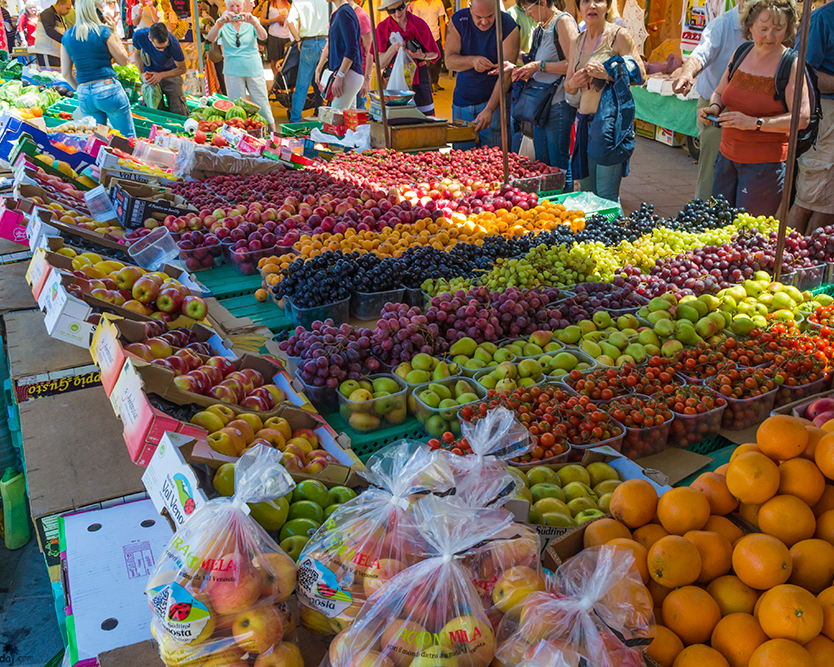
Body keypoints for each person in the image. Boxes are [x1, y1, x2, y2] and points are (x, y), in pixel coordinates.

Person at [702, 0, 810, 216]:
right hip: (726, 159)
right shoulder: (741, 53)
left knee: (749, 233)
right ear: (750, 26)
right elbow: (720, 92)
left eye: (778, 29)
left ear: (787, 29)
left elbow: (802, 118)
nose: (770, 36)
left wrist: (755, 123)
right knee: (718, 225)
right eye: (763, 29)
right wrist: (714, 107)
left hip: (764, 168)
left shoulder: (791, 64)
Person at [564, 0, 645, 201]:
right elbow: (567, 85)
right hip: (584, 124)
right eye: (585, 1)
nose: (591, 5)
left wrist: (608, 74)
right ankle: (594, 233)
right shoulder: (577, 40)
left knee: (606, 196)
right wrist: (574, 82)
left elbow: (640, 74)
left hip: (610, 127)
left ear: (608, 6)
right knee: (587, 195)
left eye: (598, 0)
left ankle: (616, 232)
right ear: (579, 7)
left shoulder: (618, 36)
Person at [672, 2, 745, 201]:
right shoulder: (722, 24)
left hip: (751, 110)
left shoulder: (770, 25)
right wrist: (687, 74)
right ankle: (703, 215)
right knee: (712, 171)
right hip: (716, 108)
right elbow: (700, 55)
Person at [508, 0, 578, 187]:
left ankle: (565, 206)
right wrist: (514, 63)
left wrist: (539, 66)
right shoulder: (541, 27)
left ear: (544, 2)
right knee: (543, 164)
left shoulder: (563, 22)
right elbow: (534, 59)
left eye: (528, 9)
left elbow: (573, 64)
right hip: (541, 106)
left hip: (558, 104)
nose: (528, 14)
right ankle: (549, 207)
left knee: (559, 165)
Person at [445, 0, 520, 149]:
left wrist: (490, 109)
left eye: (490, 16)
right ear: (470, 8)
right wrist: (472, 61)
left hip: (494, 105)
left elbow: (506, 75)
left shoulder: (508, 26)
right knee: (462, 162)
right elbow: (449, 61)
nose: (484, 22)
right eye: (479, 17)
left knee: (494, 162)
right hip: (462, 103)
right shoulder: (458, 21)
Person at [789, 0, 834, 233]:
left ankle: (812, 264)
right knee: (809, 198)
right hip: (826, 115)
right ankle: (787, 260)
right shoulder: (822, 19)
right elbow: (802, 72)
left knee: (829, 205)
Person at [61, 0, 135, 137]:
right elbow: (123, 60)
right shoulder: (103, 32)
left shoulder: (67, 36)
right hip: (108, 89)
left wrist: (83, 89)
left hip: (85, 94)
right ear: (96, 11)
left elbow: (65, 73)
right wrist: (114, 33)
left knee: (99, 141)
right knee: (126, 139)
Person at [207, 0, 276, 131]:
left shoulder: (250, 20)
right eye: (231, 6)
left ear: (243, 5)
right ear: (226, 7)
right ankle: (240, 135)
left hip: (253, 67)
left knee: (261, 101)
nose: (235, 9)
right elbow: (210, 38)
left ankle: (272, 132)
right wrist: (219, 24)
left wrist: (255, 24)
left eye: (238, 6)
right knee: (236, 106)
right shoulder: (223, 22)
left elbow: (264, 36)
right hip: (232, 69)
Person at [376, 0, 439, 115]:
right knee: (397, 117)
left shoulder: (419, 24)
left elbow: (434, 53)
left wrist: (422, 55)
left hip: (419, 76)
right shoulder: (382, 28)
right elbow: (379, 63)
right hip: (393, 77)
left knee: (425, 117)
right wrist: (393, 49)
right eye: (391, 10)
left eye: (400, 8)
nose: (397, 13)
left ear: (405, 4)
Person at [314, 0, 363, 111]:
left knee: (335, 119)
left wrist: (340, 76)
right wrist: (319, 67)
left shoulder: (344, 13)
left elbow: (352, 49)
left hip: (348, 74)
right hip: (346, 74)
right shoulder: (339, 13)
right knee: (348, 122)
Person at [133, 22, 188, 115]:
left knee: (178, 109)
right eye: (158, 47)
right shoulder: (139, 36)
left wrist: (161, 75)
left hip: (171, 73)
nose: (162, 50)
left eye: (165, 47)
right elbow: (137, 54)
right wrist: (141, 73)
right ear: (150, 38)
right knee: (154, 111)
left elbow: (182, 69)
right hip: (150, 73)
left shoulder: (173, 43)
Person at [286, 0, 328, 122]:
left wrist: (298, 40)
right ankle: (330, 119)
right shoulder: (327, 1)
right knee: (328, 82)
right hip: (325, 42)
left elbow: (290, 22)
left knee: (302, 85)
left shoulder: (299, 2)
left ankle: (295, 119)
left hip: (308, 43)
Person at [411, 0, 446, 91]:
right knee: (426, 62)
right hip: (423, 37)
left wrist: (443, 39)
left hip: (436, 35)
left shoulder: (438, 3)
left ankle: (435, 82)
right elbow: (414, 22)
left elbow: (442, 22)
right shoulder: (418, 4)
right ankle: (429, 84)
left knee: (437, 60)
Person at [34, 0, 72, 69]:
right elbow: (50, 31)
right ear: (59, 5)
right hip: (47, 52)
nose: (69, 11)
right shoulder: (47, 14)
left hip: (55, 53)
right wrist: (66, 41)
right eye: (67, 8)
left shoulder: (60, 16)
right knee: (49, 76)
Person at [349, 0, 372, 106]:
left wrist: (367, 79)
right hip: (344, 72)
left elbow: (370, 50)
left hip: (359, 72)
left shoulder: (361, 16)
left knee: (358, 111)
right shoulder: (336, 13)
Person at [261, 0, 290, 77]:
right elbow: (262, 21)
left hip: (287, 37)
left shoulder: (288, 3)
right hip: (273, 37)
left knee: (287, 64)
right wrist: (275, 20)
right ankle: (276, 86)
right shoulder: (268, 4)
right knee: (275, 66)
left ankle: (284, 87)